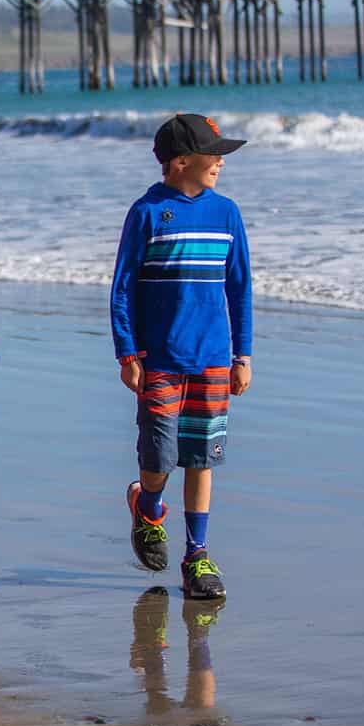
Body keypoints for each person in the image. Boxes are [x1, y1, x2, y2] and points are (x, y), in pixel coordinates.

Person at [110, 113, 252, 600]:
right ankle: (147, 505)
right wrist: (127, 352)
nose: (220, 162)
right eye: (213, 154)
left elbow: (240, 288)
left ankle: (197, 554)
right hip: (160, 360)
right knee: (159, 457)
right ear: (181, 161)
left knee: (201, 457)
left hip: (212, 357)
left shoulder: (227, 213)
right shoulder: (148, 212)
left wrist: (243, 355)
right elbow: (122, 288)